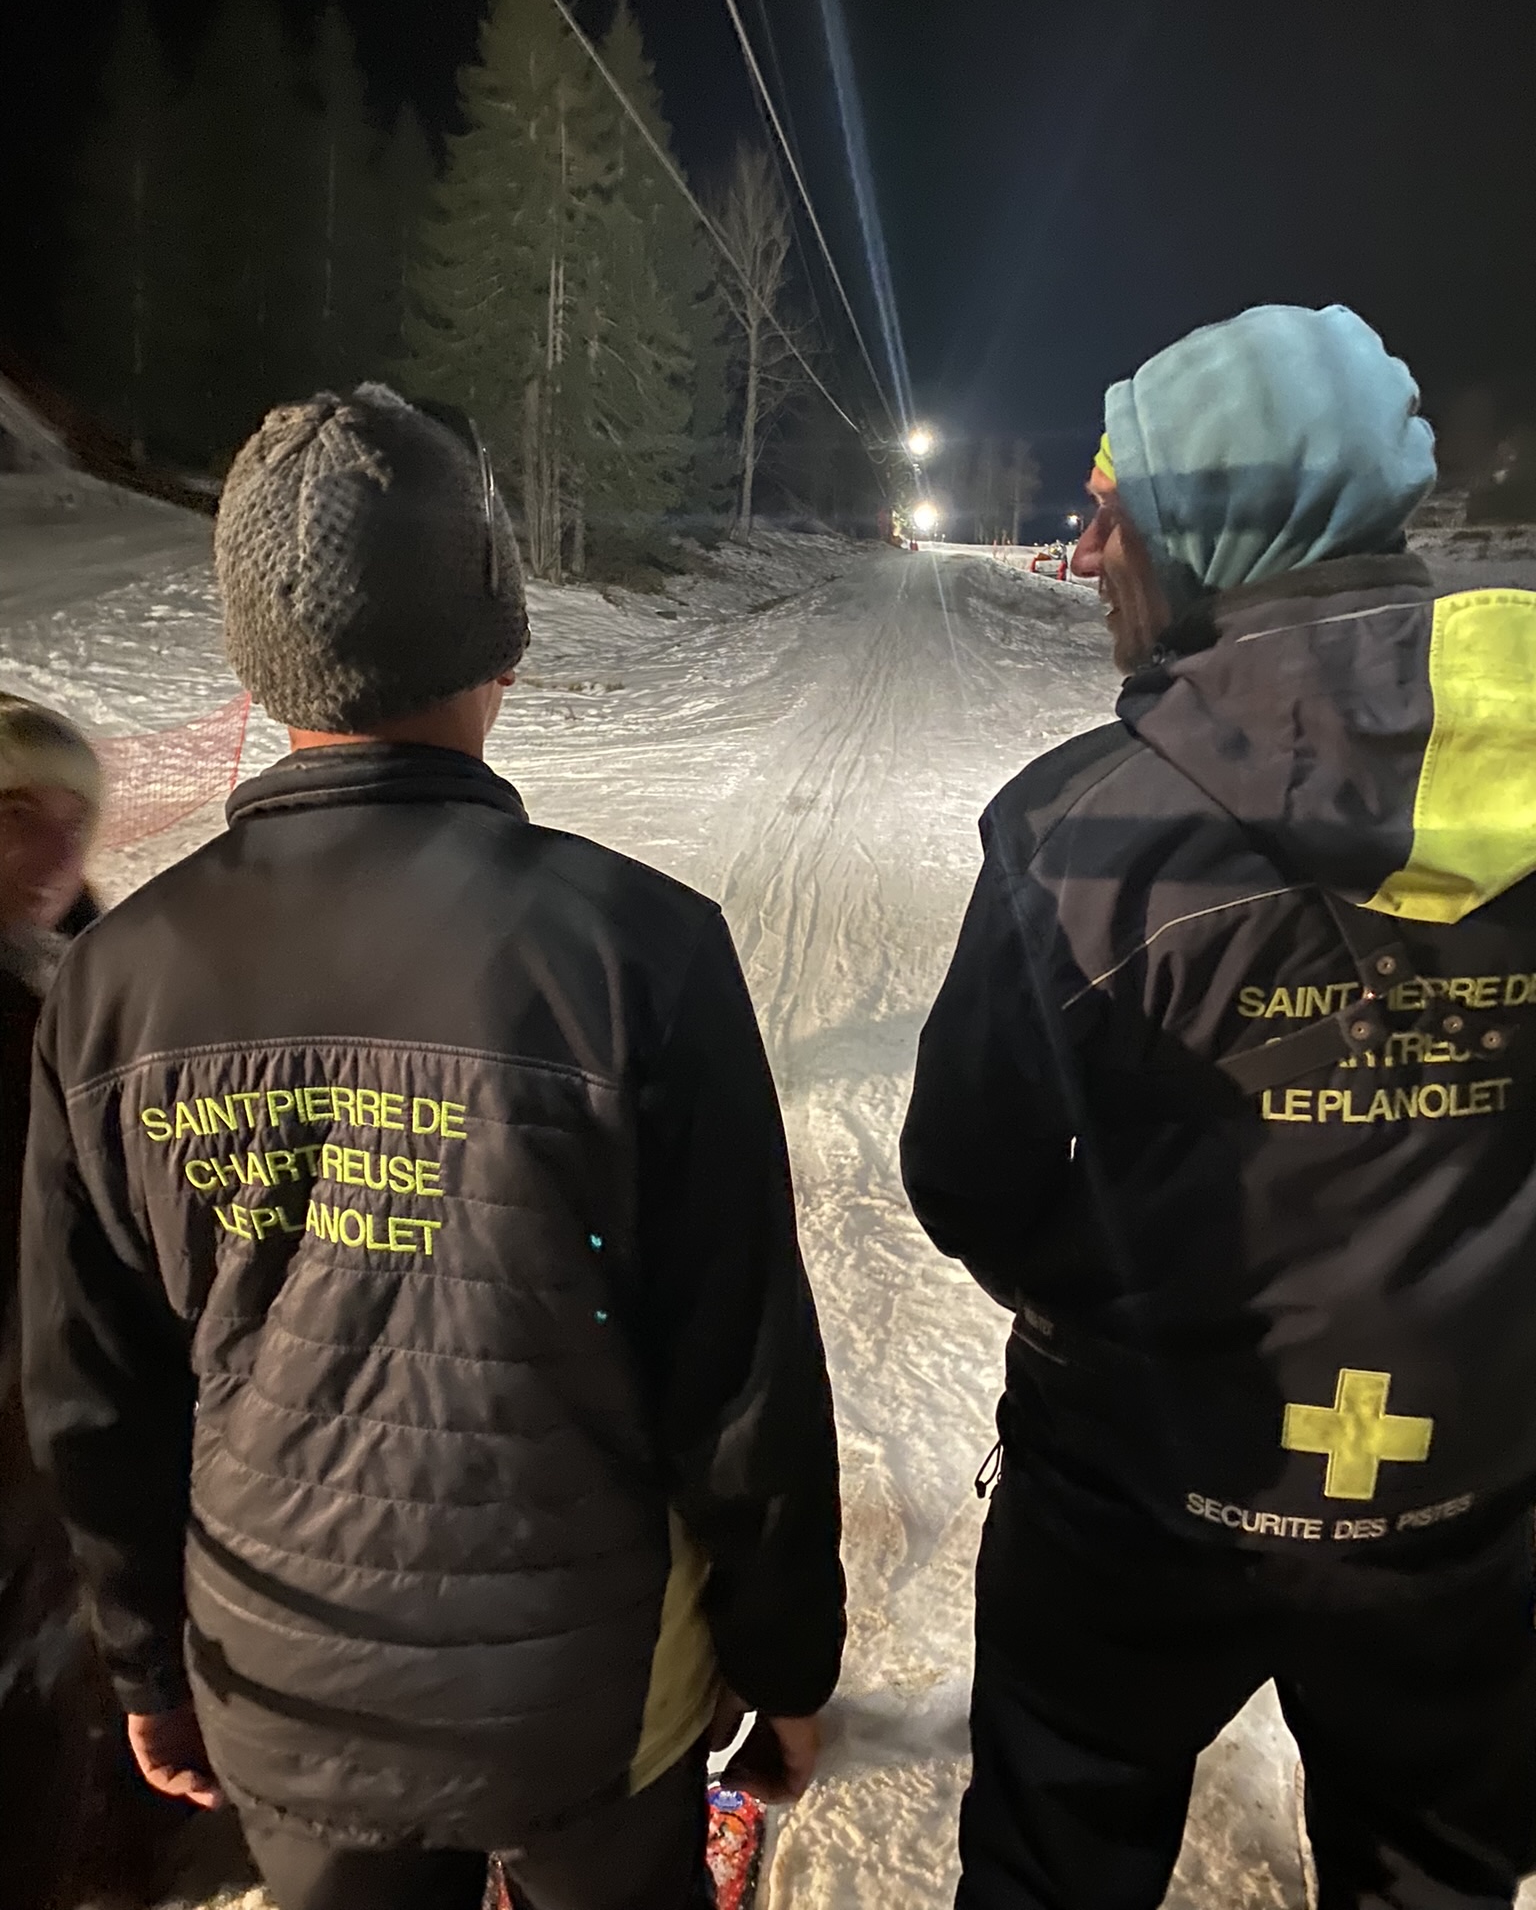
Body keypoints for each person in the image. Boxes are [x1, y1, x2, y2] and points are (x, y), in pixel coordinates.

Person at [21, 385, 844, 1910]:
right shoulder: (639, 954)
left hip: (285, 1682)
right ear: (497, 643)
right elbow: (740, 1379)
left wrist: (146, 1659)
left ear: (259, 662)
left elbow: (95, 1392)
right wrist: (790, 1659)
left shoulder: (114, 980)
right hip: (589, 1703)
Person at [901, 305, 1536, 1909]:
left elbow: (967, 1179)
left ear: (1217, 530)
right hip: (1470, 1524)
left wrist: (1116, 1314)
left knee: (1056, 1863)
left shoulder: (1077, 835)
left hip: (1132, 1506)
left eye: (1110, 505)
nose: (1080, 552)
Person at [1, 696, 179, 1910]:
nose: (56, 852)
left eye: (76, 821)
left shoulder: (93, 982)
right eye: (17, 816)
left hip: (85, 1413)